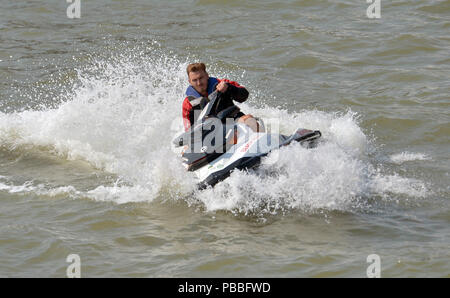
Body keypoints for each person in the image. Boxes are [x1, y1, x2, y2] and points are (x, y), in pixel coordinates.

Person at [182, 62, 261, 133]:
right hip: (210, 133)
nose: (199, 83)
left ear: (207, 76)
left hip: (232, 120)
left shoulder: (222, 83)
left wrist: (229, 87)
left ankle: (265, 146)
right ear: (190, 82)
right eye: (195, 80)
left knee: (250, 121)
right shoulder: (188, 103)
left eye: (201, 78)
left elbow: (244, 95)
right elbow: (189, 130)